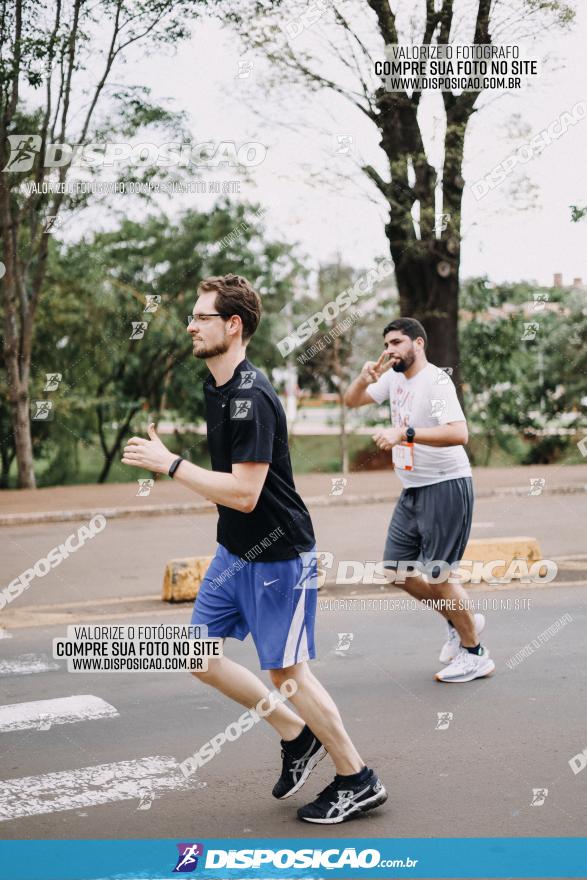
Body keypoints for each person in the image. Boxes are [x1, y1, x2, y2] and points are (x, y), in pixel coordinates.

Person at [121, 273, 387, 822]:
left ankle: (357, 778)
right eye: (192, 317)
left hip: (280, 556)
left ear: (233, 325)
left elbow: (245, 493)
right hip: (233, 553)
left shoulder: (252, 397)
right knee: (197, 654)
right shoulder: (215, 388)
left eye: (202, 317)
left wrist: (170, 464)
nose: (190, 326)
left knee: (289, 675)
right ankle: (295, 733)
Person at [344, 317, 495, 683]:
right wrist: (364, 377)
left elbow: (459, 433)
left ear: (418, 344)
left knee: (440, 575)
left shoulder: (436, 381)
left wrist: (405, 433)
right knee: (397, 572)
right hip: (413, 488)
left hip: (446, 484)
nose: (389, 350)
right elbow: (352, 401)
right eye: (386, 344)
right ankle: (460, 619)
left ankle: (475, 653)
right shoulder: (394, 378)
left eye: (397, 342)